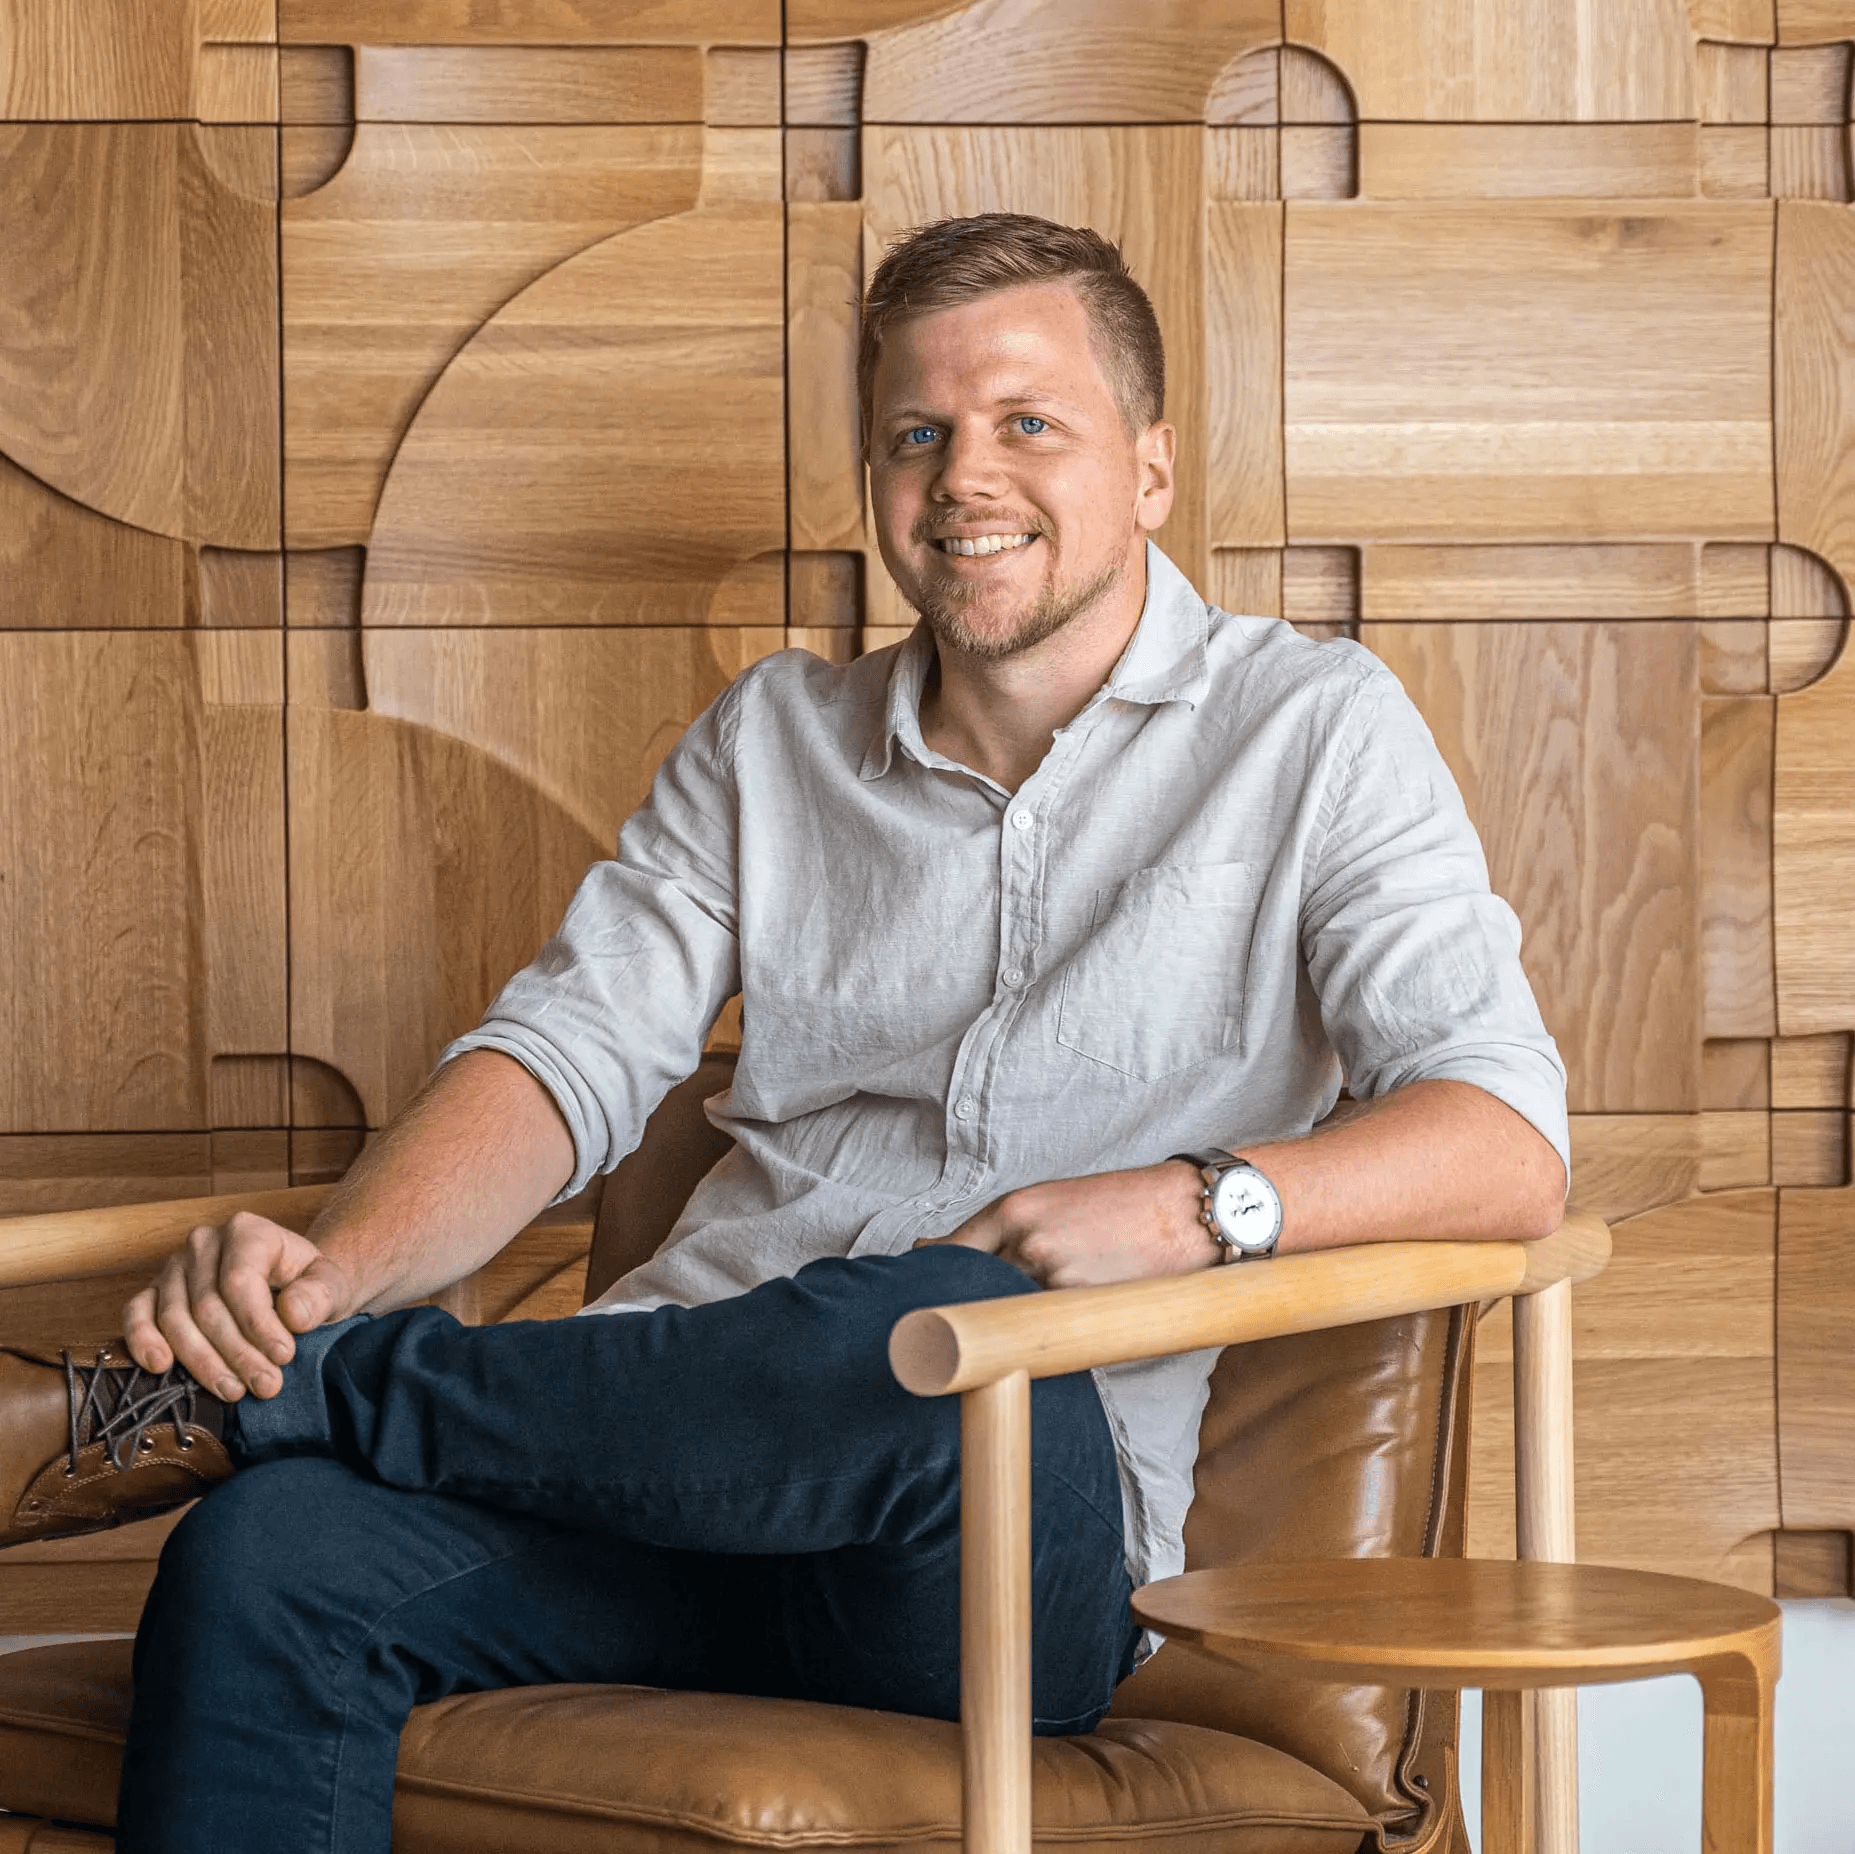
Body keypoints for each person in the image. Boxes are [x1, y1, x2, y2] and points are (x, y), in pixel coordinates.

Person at [0, 213, 1568, 1852]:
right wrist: (319, 1277)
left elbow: (1507, 1142)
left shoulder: (1313, 731)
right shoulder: (771, 741)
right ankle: (302, 1391)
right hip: (656, 1490)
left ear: (1150, 468)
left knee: (946, 1329)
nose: (966, 476)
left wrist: (1191, 1202)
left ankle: (277, 1399)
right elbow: (565, 1055)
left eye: (1028, 422)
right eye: (918, 433)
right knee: (268, 1556)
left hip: (989, 1540)